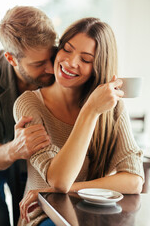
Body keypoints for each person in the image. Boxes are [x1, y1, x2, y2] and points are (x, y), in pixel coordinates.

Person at [13, 17, 144, 226]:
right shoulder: (29, 104)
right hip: (44, 217)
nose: (71, 62)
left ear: (98, 67)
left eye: (85, 59)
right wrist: (90, 111)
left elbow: (134, 180)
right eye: (67, 49)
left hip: (91, 217)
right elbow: (59, 180)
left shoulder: (112, 107)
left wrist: (68, 189)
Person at [0, 5, 57, 226]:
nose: (51, 69)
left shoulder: (61, 64)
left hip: (43, 166)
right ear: (11, 59)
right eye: (38, 64)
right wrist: (15, 148)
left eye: (52, 56)